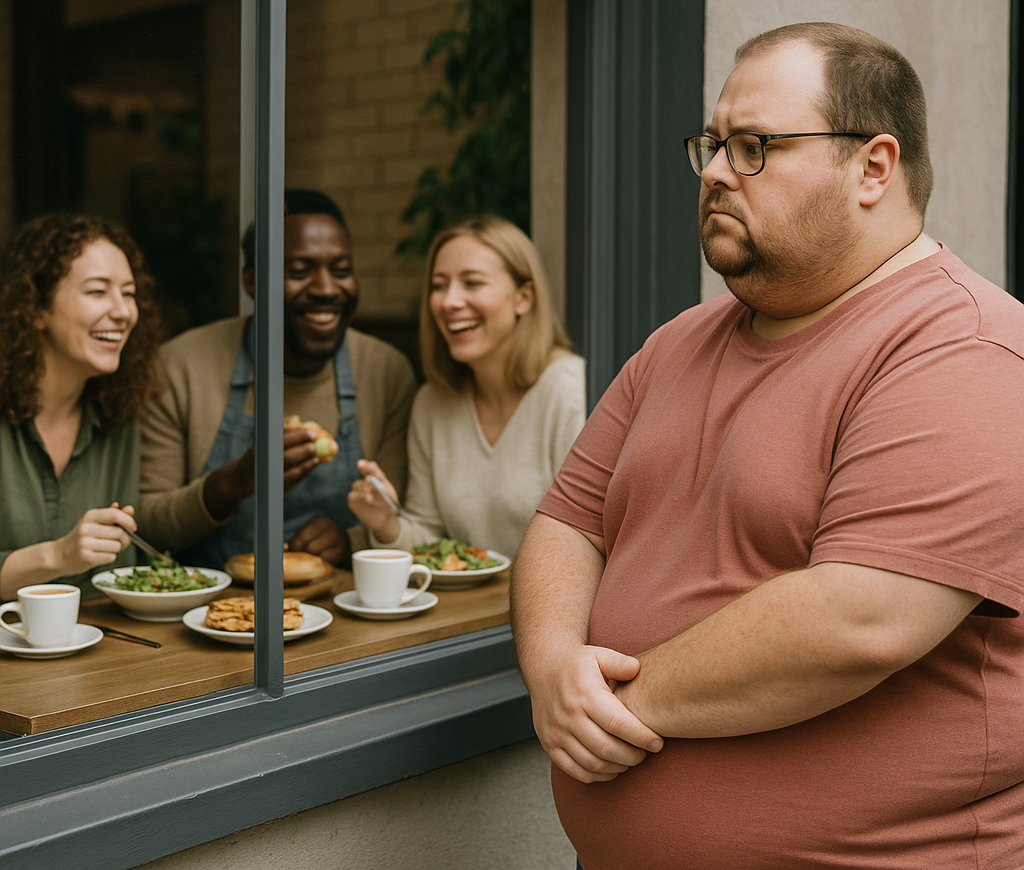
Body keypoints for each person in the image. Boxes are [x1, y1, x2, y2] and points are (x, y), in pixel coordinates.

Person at [510, 22, 1024, 870]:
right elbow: (567, 525)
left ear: (873, 166)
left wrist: (601, 702)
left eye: (754, 146)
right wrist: (554, 663)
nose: (713, 171)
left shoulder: (967, 349)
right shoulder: (677, 342)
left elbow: (861, 621)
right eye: (712, 144)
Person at [138, 189, 417, 569]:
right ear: (251, 282)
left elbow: (397, 511)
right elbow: (148, 525)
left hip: (348, 612)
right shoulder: (179, 367)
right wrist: (232, 484)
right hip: (207, 614)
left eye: (342, 269)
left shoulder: (386, 372)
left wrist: (348, 540)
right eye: (300, 271)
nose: (326, 288)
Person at [347, 216, 585, 560]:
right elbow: (431, 540)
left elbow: (595, 544)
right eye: (439, 285)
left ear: (524, 297)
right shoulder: (431, 404)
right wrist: (387, 525)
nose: (449, 301)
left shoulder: (570, 391)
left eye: (472, 283)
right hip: (468, 614)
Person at [0, 214, 163, 599]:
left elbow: (116, 581)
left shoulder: (119, 417)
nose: (123, 311)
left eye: (128, 292)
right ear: (35, 309)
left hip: (101, 649)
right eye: (97, 292)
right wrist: (57, 556)